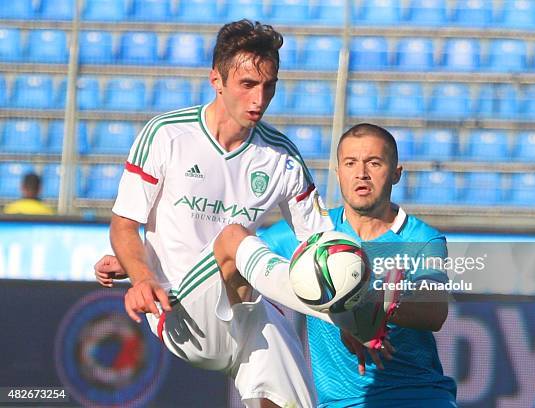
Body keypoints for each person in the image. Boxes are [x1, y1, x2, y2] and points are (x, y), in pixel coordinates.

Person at [99, 123, 457, 407]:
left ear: (396, 173)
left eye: (374, 163)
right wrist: (139, 264)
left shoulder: (421, 238)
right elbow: (228, 259)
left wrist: (363, 305)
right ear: (338, 171)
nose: (361, 174)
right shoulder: (310, 238)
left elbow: (434, 310)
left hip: (418, 397)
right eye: (351, 163)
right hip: (338, 403)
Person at [105, 19, 334, 408]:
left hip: (244, 307)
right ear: (217, 80)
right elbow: (125, 225)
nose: (259, 99)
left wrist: (348, 311)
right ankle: (317, 306)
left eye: (269, 86)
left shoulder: (282, 156)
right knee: (234, 237)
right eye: (247, 85)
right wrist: (141, 277)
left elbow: (321, 244)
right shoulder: (167, 135)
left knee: (285, 399)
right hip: (179, 314)